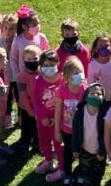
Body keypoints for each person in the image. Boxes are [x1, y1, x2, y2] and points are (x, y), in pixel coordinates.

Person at [50, 57, 87, 183]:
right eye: (76, 73)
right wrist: (57, 131)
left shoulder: (85, 89)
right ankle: (67, 174)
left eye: (81, 71)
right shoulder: (62, 90)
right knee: (67, 153)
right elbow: (58, 111)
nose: (80, 75)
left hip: (82, 129)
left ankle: (81, 174)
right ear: (67, 77)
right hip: (66, 129)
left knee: (83, 153)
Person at [33, 50, 64, 178]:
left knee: (59, 144)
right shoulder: (38, 80)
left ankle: (62, 168)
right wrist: (42, 117)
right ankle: (48, 160)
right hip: (43, 121)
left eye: (52, 65)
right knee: (44, 140)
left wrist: (58, 118)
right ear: (40, 65)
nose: (48, 68)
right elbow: (35, 101)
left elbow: (65, 101)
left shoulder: (63, 80)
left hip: (59, 121)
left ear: (58, 63)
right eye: (45, 65)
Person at [71, 83, 107, 186]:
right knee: (85, 169)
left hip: (99, 151)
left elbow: (105, 135)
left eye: (99, 94)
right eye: (92, 93)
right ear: (86, 96)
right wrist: (75, 148)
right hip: (84, 150)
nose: (95, 95)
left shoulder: (104, 114)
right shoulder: (79, 113)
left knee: (98, 172)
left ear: (103, 98)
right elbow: (75, 132)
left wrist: (102, 152)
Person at [16, 44, 41, 155]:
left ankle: (37, 143)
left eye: (35, 59)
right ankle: (25, 143)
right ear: (24, 60)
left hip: (39, 107)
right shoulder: (22, 76)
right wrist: (30, 111)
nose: (32, 61)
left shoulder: (42, 74)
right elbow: (23, 95)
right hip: (26, 108)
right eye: (29, 59)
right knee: (26, 127)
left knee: (37, 127)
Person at [87, 34, 111, 104]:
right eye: (100, 45)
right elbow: (90, 83)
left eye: (106, 45)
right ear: (96, 49)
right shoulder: (92, 64)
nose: (103, 47)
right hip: (99, 97)